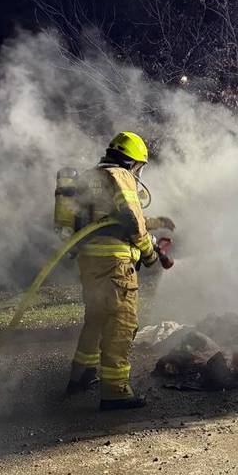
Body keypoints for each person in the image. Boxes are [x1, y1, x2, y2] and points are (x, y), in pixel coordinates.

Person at [66, 131, 173, 409]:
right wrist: (149, 254)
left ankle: (81, 374)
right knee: (121, 325)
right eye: (139, 166)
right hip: (116, 264)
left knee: (97, 318)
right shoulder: (121, 176)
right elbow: (132, 221)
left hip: (90, 262)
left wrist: (156, 221)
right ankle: (115, 391)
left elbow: (107, 218)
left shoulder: (91, 178)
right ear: (134, 162)